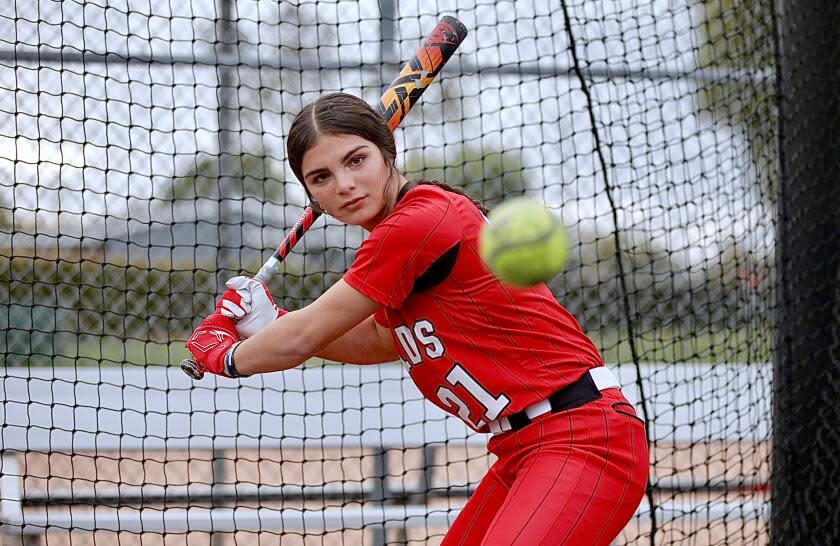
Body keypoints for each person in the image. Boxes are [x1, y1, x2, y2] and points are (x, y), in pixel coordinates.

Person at [185, 92, 649, 545]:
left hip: (583, 439)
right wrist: (271, 322)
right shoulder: (399, 234)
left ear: (388, 153)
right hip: (522, 449)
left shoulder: (415, 223)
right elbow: (379, 340)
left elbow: (303, 337)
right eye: (321, 177)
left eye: (356, 160)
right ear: (311, 193)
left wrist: (225, 356)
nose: (344, 184)